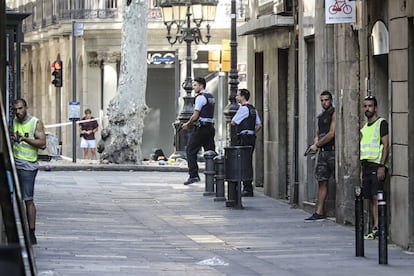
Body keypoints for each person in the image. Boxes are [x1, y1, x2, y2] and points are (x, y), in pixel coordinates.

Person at [11, 98, 47, 245]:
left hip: (28, 166)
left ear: (26, 107)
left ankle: (31, 232)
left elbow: (43, 143)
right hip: (14, 164)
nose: (18, 112)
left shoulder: (35, 122)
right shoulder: (13, 120)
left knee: (28, 199)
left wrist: (25, 140)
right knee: (12, 198)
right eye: (15, 110)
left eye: (20, 109)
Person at [360, 95, 389, 240]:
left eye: (370, 106)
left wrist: (382, 166)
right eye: (365, 106)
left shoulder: (381, 123)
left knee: (377, 197)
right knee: (371, 198)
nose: (367, 109)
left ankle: (378, 227)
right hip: (366, 166)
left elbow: (386, 145)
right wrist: (361, 170)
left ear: (375, 108)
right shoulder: (365, 128)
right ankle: (375, 227)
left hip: (377, 165)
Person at [304, 90, 336, 222]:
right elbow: (318, 133)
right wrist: (315, 144)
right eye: (322, 100)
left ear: (331, 100)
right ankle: (319, 211)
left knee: (335, 180)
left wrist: (317, 145)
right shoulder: (320, 117)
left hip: (332, 151)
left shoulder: (334, 114)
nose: (324, 103)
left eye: (326, 100)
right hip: (322, 152)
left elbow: (331, 133)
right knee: (321, 181)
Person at [182, 77, 215, 185]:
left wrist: (187, 124)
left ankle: (194, 175)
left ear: (201, 85)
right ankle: (216, 174)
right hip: (210, 128)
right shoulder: (211, 97)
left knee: (191, 150)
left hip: (201, 128)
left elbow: (195, 115)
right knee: (211, 152)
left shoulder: (200, 98)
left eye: (195, 85)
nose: (193, 87)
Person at [231, 88, 262, 197]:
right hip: (251, 137)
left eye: (238, 95)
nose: (236, 97)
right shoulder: (253, 109)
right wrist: (252, 132)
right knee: (248, 161)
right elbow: (259, 125)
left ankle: (246, 188)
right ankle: (248, 187)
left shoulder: (243, 109)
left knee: (242, 162)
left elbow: (233, 122)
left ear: (243, 97)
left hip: (243, 137)